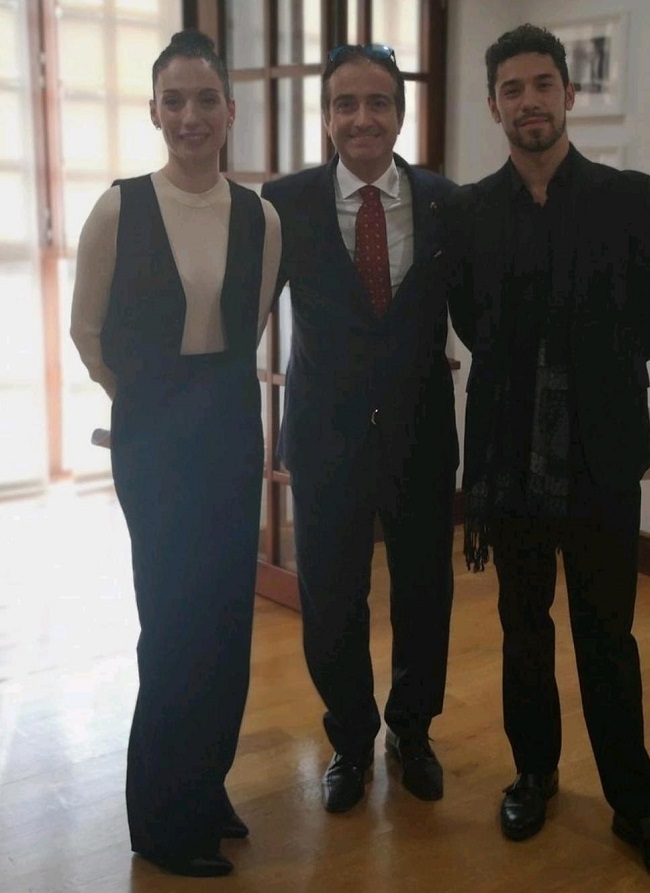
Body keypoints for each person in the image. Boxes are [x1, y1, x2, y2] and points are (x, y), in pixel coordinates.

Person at [443, 24, 650, 893]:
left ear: (567, 95)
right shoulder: (472, 210)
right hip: (507, 458)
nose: (528, 102)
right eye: (510, 89)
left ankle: (635, 803)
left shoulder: (625, 195)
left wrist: (571, 354)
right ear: (492, 107)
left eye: (542, 84)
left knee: (607, 637)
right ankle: (533, 773)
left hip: (599, 455)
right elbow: (472, 320)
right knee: (523, 630)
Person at [70, 30, 281, 878]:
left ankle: (207, 785)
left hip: (230, 423)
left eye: (205, 99)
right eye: (174, 100)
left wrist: (199, 402)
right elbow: (87, 332)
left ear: (229, 111)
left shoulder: (260, 216)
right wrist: (146, 402)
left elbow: (252, 320)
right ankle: (161, 817)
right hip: (154, 435)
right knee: (173, 626)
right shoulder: (121, 207)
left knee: (229, 620)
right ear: (156, 111)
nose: (190, 115)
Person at [261, 44, 457, 813]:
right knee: (333, 600)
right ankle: (348, 739)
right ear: (328, 117)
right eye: (345, 103)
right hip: (325, 438)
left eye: (377, 102)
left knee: (423, 593)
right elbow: (244, 307)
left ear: (400, 113)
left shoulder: (446, 201)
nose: (361, 118)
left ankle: (412, 732)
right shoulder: (286, 200)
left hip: (419, 436)